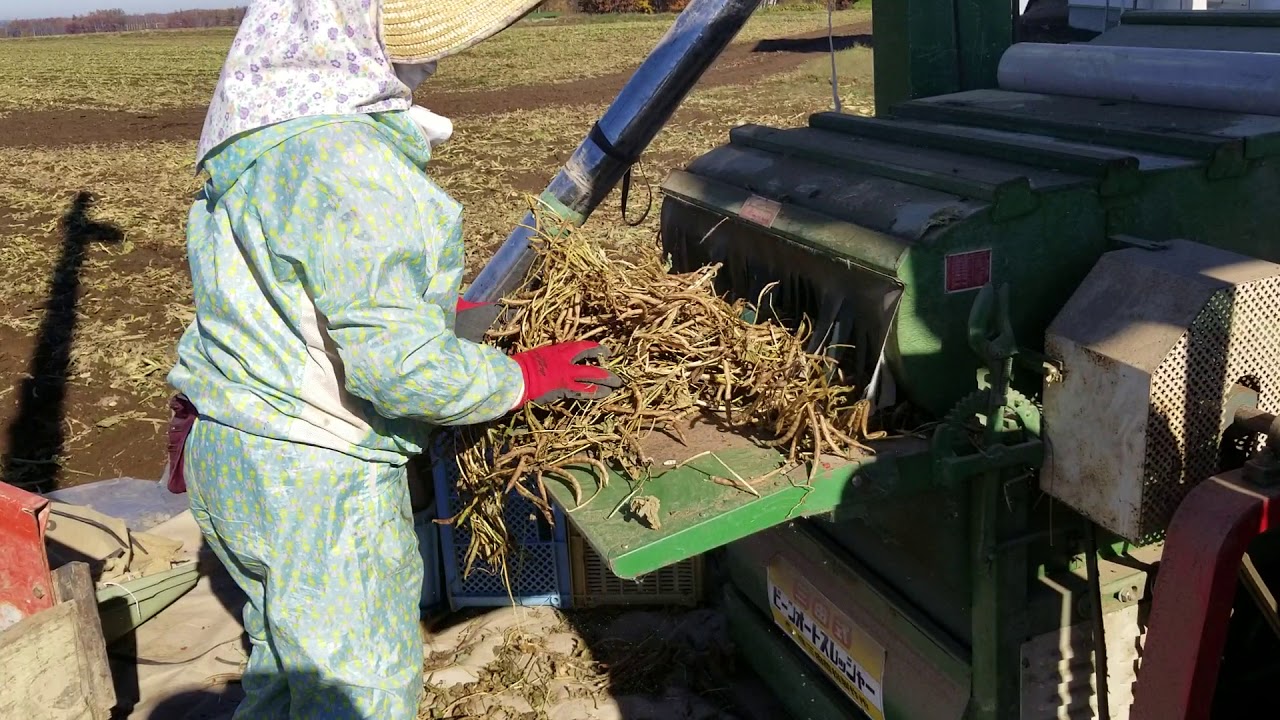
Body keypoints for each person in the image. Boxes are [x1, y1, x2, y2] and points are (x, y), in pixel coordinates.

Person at [162, 1, 621, 718]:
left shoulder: (261, 144)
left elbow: (275, 293)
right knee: (357, 690)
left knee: (285, 670)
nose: (427, 63)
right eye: (414, 48)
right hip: (314, 481)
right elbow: (398, 370)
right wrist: (523, 376)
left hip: (233, 453)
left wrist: (425, 312)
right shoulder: (351, 166)